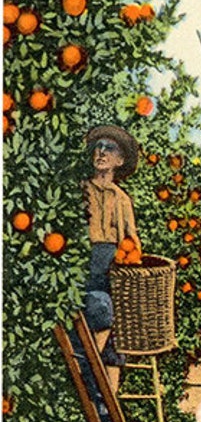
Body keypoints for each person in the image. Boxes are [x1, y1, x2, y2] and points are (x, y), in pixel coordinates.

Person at [82, 124, 141, 371]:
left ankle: (108, 406)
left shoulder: (122, 199)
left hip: (112, 270)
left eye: (109, 148)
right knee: (101, 308)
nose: (102, 152)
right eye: (99, 147)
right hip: (86, 266)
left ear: (120, 160)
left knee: (117, 341)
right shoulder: (82, 190)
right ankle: (90, 366)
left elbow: (132, 241)